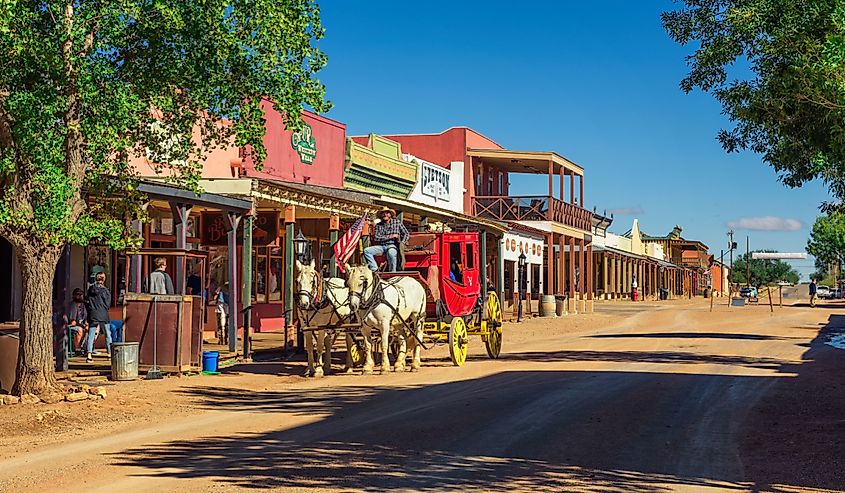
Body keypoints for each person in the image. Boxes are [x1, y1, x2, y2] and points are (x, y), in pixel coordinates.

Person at [363, 207, 409, 272]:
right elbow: (376, 238)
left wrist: (402, 243)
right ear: (381, 215)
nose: (385, 214)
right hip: (381, 247)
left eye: (387, 213)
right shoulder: (378, 225)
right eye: (383, 213)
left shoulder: (397, 222)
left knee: (391, 253)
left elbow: (406, 233)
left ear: (390, 215)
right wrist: (390, 236)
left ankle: (392, 272)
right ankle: (374, 269)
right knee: (367, 250)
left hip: (392, 245)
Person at [86, 272, 113, 362]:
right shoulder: (105, 291)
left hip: (93, 314)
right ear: (104, 279)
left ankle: (89, 355)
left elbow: (87, 302)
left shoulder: (90, 290)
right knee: (107, 334)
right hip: (103, 314)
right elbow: (108, 304)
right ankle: (109, 353)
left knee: (91, 334)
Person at [64, 288, 88, 354]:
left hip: (81, 324)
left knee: (91, 329)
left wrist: (86, 323)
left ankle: (86, 348)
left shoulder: (83, 305)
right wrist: (82, 325)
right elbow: (73, 322)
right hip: (71, 325)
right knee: (79, 330)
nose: (80, 296)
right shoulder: (72, 305)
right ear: (74, 296)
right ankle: (77, 349)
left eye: (81, 295)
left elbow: (85, 317)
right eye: (78, 295)